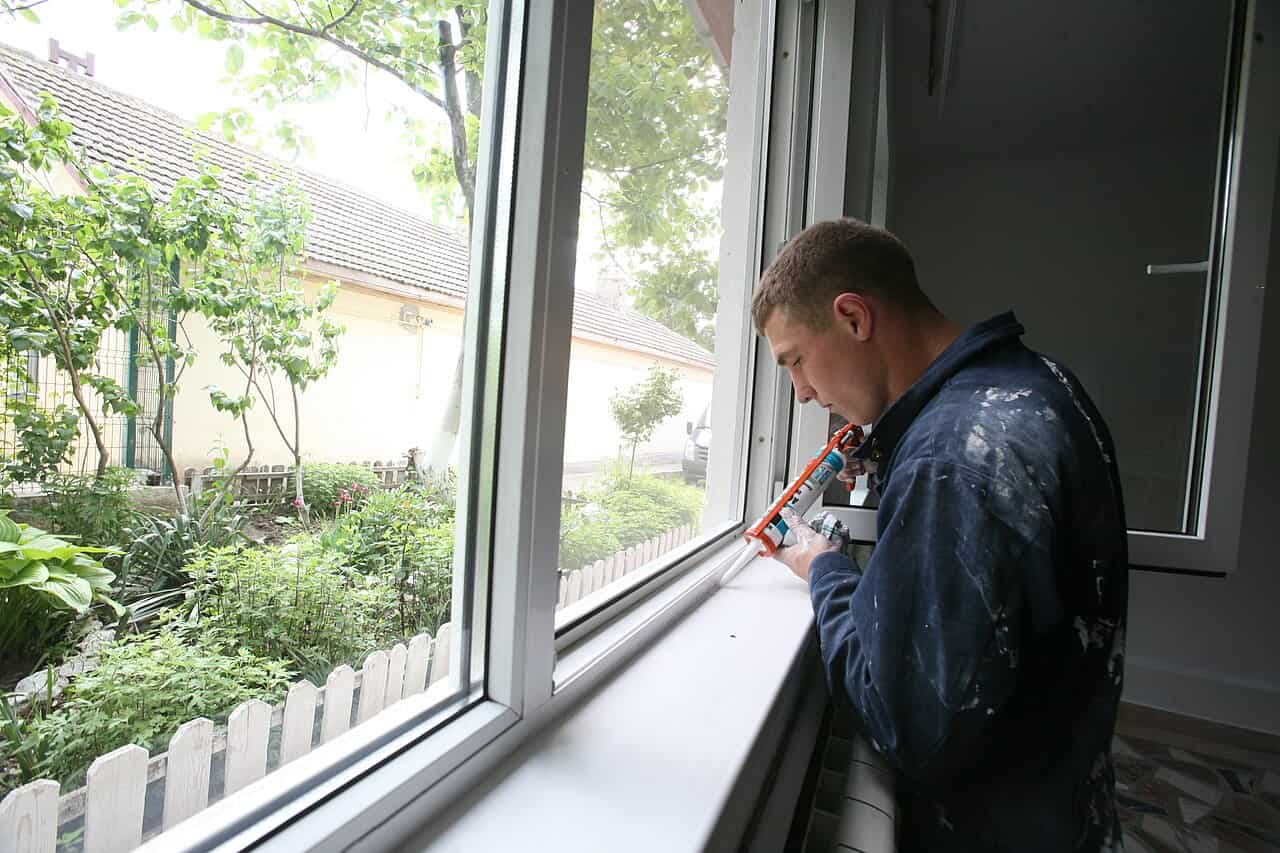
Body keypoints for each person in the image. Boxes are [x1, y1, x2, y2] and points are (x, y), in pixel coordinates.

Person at [755, 219, 1129, 852]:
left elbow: (908, 724)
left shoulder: (954, 457)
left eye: (796, 361)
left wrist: (824, 567)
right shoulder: (1034, 384)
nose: (804, 393)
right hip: (1064, 806)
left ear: (852, 317)